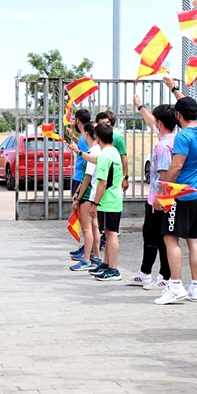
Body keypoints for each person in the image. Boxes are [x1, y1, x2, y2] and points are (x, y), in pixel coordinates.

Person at [154, 76, 197, 305]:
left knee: (170, 238)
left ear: (178, 116)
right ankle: (195, 287)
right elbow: (186, 105)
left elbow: (176, 166)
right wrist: (175, 89)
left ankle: (175, 285)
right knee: (194, 240)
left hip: (181, 195)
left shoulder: (183, 136)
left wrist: (165, 195)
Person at [129, 95, 175, 290]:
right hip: (155, 198)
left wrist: (160, 197)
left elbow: (164, 175)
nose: (153, 124)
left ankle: (166, 276)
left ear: (160, 123)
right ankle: (145, 272)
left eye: (156, 122)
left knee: (162, 238)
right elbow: (150, 121)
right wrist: (140, 106)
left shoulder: (165, 146)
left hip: (160, 199)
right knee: (150, 236)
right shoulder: (171, 137)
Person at [88, 122, 124, 281]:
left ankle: (114, 269)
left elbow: (102, 183)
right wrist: (80, 152)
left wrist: (94, 204)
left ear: (98, 138)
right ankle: (107, 264)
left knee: (111, 234)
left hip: (108, 201)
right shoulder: (114, 151)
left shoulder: (104, 155)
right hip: (115, 199)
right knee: (109, 233)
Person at [68, 122, 102, 270]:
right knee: (94, 227)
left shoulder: (92, 152)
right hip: (94, 193)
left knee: (87, 228)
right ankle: (96, 257)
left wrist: (78, 196)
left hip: (88, 193)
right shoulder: (98, 149)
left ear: (87, 134)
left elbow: (87, 177)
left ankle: (87, 259)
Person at [69, 108, 94, 261]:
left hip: (81, 178)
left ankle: (88, 250)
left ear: (78, 120)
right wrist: (72, 137)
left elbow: (84, 153)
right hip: (82, 176)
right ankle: (87, 248)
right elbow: (83, 148)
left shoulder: (85, 138)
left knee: (85, 220)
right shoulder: (85, 138)